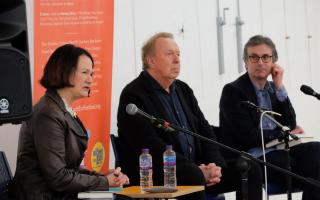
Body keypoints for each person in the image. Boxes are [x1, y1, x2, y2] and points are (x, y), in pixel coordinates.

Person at [117, 32, 262, 200]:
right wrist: (196, 170)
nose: (177, 59)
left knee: (250, 167)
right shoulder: (134, 95)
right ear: (151, 61)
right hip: (156, 175)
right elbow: (151, 146)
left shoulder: (182, 89)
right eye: (169, 54)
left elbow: (204, 131)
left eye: (178, 54)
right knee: (193, 176)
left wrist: (215, 165)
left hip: (195, 169)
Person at [10, 44, 129, 199]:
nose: (90, 80)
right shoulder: (48, 113)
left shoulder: (57, 107)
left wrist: (101, 177)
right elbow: (59, 177)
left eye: (92, 74)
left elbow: (69, 169)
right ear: (64, 72)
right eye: (85, 72)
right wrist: (104, 182)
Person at [219, 35, 320, 199]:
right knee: (297, 165)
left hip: (279, 148)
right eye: (254, 57)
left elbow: (290, 122)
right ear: (246, 62)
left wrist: (279, 86)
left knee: (316, 151)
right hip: (254, 154)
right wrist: (280, 134)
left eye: (266, 57)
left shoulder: (274, 88)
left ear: (274, 62)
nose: (260, 62)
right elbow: (246, 135)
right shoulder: (233, 91)